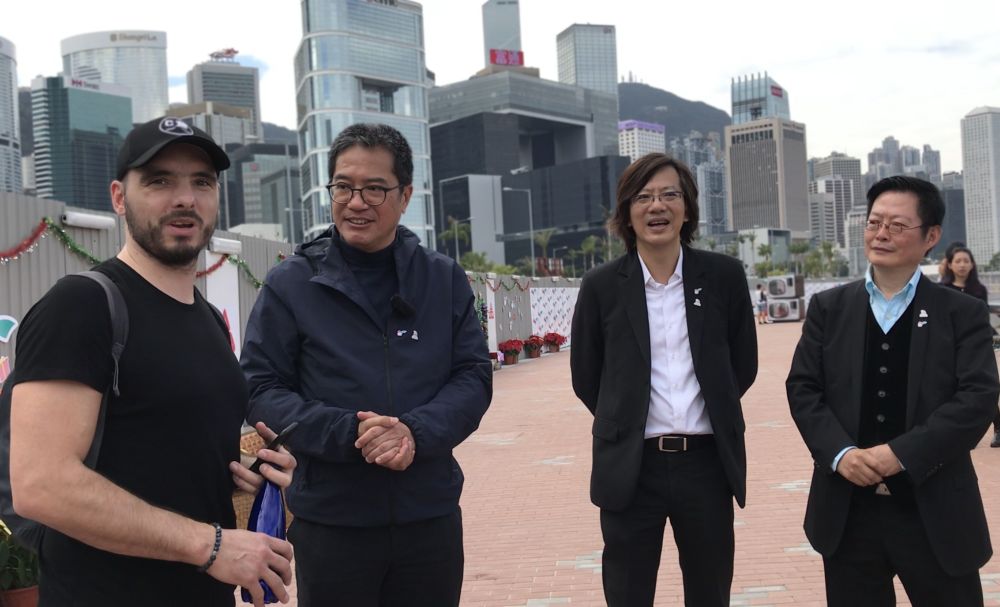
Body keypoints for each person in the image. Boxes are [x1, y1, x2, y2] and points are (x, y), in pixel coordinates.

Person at [8, 117, 296, 607]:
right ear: (119, 197)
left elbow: (163, 449)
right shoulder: (82, 305)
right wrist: (211, 545)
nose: (185, 198)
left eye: (201, 182)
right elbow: (41, 484)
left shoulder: (209, 320)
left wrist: (252, 471)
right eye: (160, 181)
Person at [240, 123, 492, 607]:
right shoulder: (292, 283)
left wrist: (413, 433)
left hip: (428, 516)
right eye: (343, 187)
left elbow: (473, 376)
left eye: (375, 188)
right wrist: (351, 433)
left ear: (405, 195)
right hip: (332, 521)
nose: (356, 203)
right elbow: (260, 387)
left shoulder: (441, 279)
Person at [786, 175, 999, 606]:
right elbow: (804, 388)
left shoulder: (962, 312)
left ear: (931, 237)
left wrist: (900, 454)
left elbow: (977, 398)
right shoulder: (829, 308)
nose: (881, 233)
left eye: (897, 225)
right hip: (848, 513)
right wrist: (841, 454)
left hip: (936, 512)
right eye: (874, 222)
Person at [570, 153, 758, 606]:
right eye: (643, 197)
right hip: (632, 467)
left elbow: (743, 365)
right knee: (627, 593)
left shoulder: (723, 277)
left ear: (687, 208)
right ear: (627, 213)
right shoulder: (601, 286)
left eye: (669, 195)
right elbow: (586, 376)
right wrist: (626, 415)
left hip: (706, 464)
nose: (657, 206)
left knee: (710, 591)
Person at [940, 245, 1000, 448]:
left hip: (977, 346)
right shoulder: (943, 290)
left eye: (966, 261)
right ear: (949, 265)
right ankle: (963, 433)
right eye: (958, 261)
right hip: (951, 347)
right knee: (955, 390)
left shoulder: (979, 290)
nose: (962, 265)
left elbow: (983, 318)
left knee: (983, 387)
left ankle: (998, 427)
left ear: (972, 265)